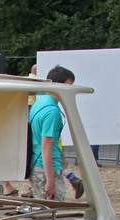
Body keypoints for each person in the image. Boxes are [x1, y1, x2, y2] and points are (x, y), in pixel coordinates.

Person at [28, 65, 74, 201]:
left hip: (37, 166)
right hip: (46, 168)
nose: (70, 89)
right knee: (52, 215)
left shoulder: (40, 101)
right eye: (69, 85)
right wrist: (50, 180)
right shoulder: (52, 111)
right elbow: (45, 146)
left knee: (43, 213)